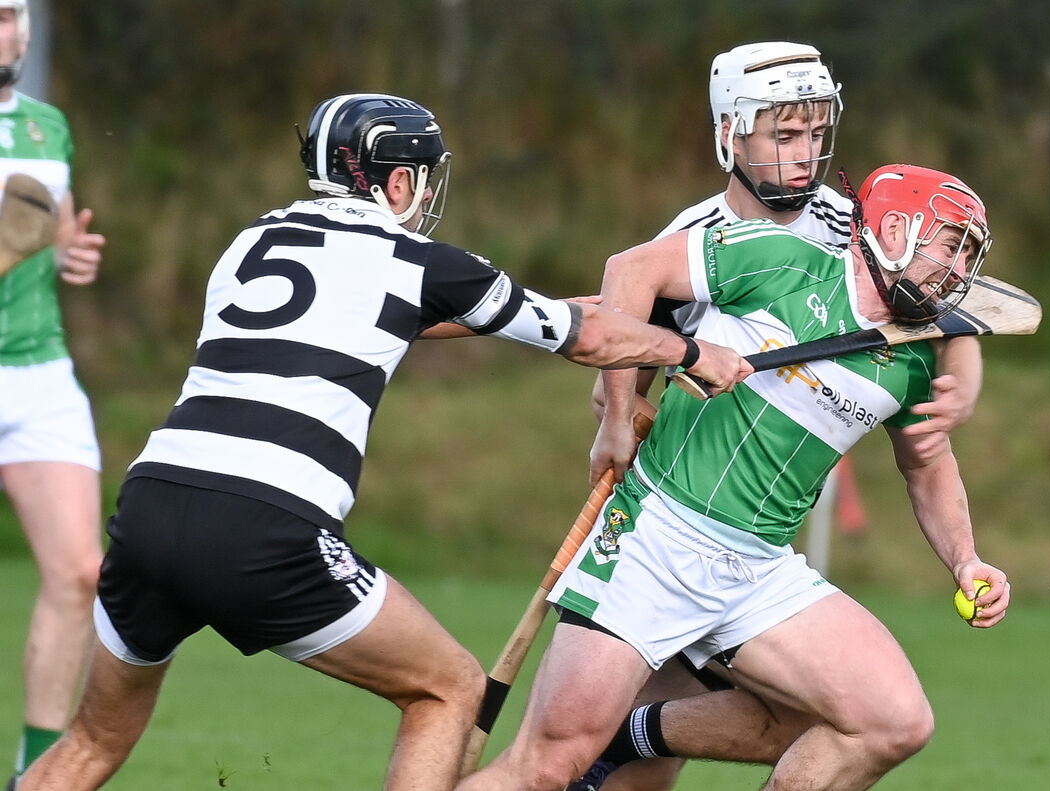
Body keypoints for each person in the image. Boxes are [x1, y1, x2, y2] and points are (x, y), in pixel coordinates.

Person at [17, 93, 749, 791]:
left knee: (92, 740)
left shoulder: (252, 240)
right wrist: (687, 352)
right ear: (398, 180)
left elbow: (381, 314)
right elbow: (587, 340)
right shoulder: (420, 261)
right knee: (448, 687)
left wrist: (560, 309)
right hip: (265, 521)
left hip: (152, 504)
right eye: (423, 179)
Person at [454, 162, 1012, 791]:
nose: (961, 271)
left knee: (892, 721)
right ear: (896, 228)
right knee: (546, 768)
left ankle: (629, 733)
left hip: (758, 572)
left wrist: (965, 560)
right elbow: (630, 272)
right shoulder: (781, 258)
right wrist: (615, 414)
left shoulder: (913, 358)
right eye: (952, 245)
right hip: (653, 537)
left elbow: (927, 462)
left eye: (970, 254)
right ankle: (600, 741)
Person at [577, 41, 983, 791]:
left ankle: (621, 740)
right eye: (785, 136)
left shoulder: (850, 221)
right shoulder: (692, 231)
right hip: (669, 505)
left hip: (756, 531)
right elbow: (618, 321)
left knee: (813, 717)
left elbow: (948, 294)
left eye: (818, 135)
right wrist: (619, 407)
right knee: (639, 763)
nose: (807, 157)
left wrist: (965, 371)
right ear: (730, 132)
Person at [0, 0, 107, 786]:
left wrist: (70, 254)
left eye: (7, 16)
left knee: (79, 573)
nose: (1, 33)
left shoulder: (48, 123)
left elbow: (53, 226)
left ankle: (35, 776)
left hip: (39, 370)